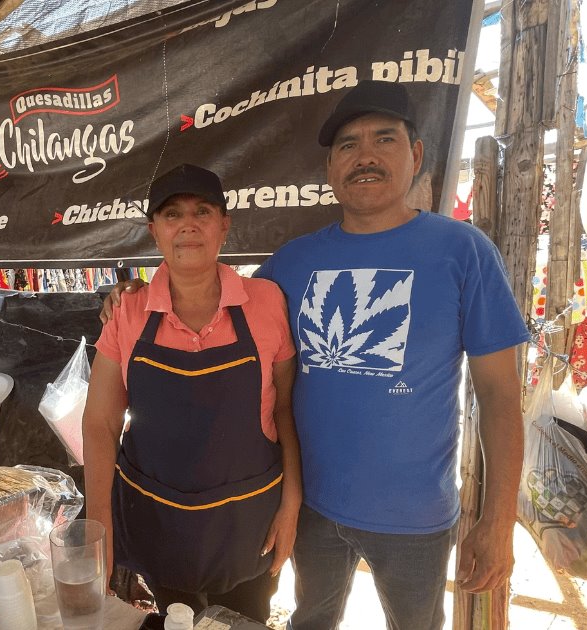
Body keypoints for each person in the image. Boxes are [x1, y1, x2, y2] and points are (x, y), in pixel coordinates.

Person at [103, 82, 528, 630]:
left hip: (415, 518)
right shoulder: (292, 263)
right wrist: (128, 294)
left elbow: (499, 395)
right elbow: (214, 297)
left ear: (416, 155)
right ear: (330, 169)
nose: (365, 155)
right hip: (311, 510)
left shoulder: (463, 251)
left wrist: (499, 521)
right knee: (310, 621)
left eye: (384, 139)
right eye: (348, 145)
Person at [84, 164, 302, 622]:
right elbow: (100, 424)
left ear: (224, 224)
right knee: (177, 618)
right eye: (171, 214)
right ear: (154, 231)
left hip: (248, 525)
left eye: (202, 211)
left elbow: (285, 409)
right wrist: (98, 533)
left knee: (243, 620)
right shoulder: (128, 310)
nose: (188, 224)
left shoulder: (266, 301)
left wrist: (291, 502)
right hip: (160, 520)